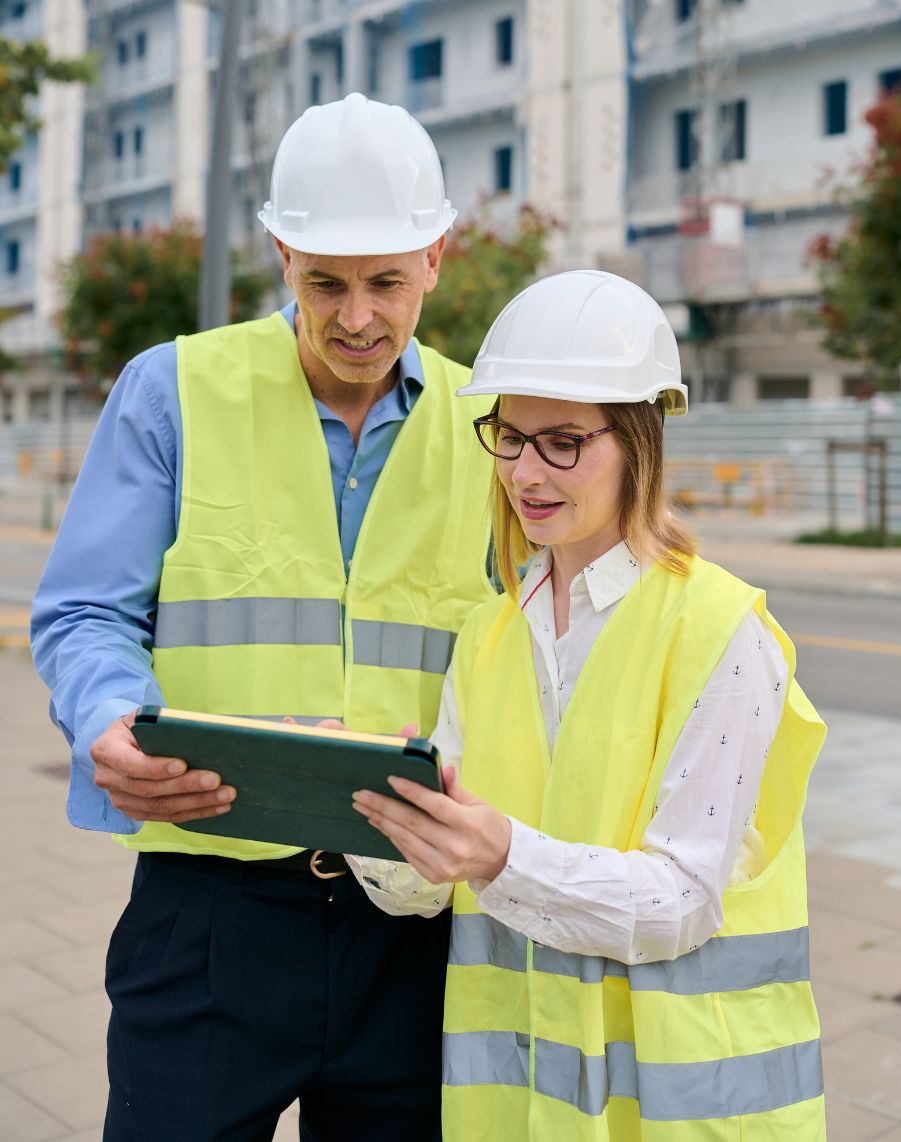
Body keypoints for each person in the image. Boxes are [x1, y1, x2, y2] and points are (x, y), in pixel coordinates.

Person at [31, 94, 494, 1141]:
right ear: (281, 253)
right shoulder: (172, 392)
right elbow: (85, 611)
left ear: (437, 257)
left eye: (386, 282)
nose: (358, 317)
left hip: (413, 926)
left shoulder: (490, 426)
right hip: (209, 914)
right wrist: (107, 718)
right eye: (325, 283)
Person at [346, 270, 828, 1140]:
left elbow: (681, 900)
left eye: (563, 441)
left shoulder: (721, 629)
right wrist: (373, 820)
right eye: (509, 437)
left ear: (638, 442)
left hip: (681, 1111)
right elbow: (425, 890)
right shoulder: (490, 634)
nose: (525, 471)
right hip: (524, 1113)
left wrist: (499, 857)